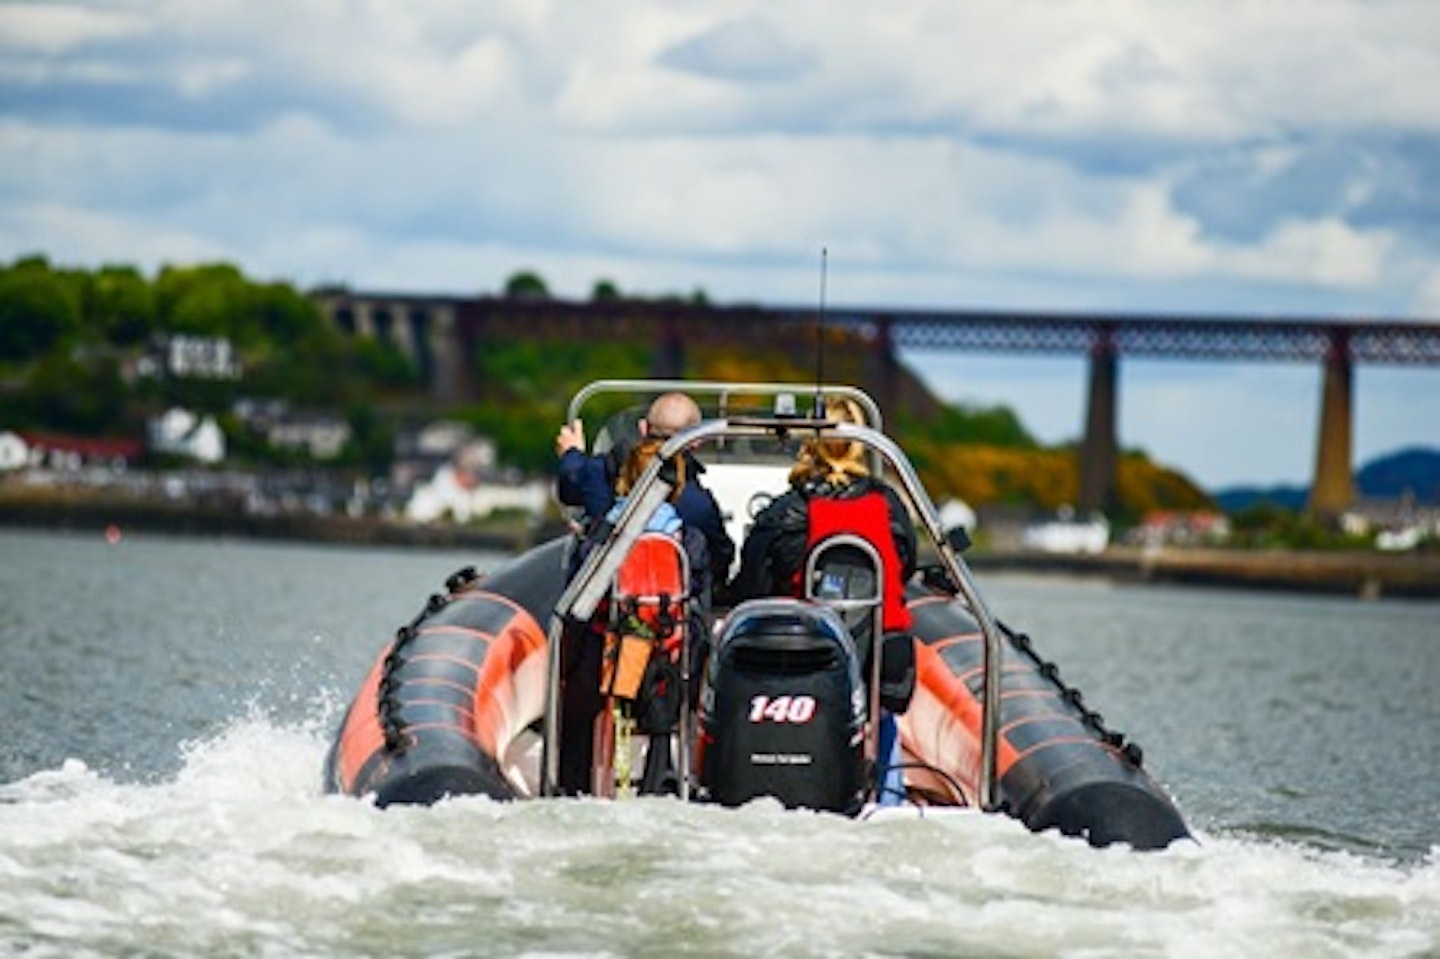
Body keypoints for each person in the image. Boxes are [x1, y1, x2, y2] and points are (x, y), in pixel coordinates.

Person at [727, 395, 917, 804]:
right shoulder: (891, 508)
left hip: (804, 661)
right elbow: (907, 566)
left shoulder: (785, 511)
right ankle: (887, 799)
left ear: (808, 443)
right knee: (882, 717)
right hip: (880, 659)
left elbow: (752, 588)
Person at [555, 391, 734, 594]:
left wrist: (572, 454)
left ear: (643, 428)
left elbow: (570, 486)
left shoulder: (598, 472)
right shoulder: (699, 505)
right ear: (697, 440)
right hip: (670, 612)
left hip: (600, 606)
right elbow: (720, 560)